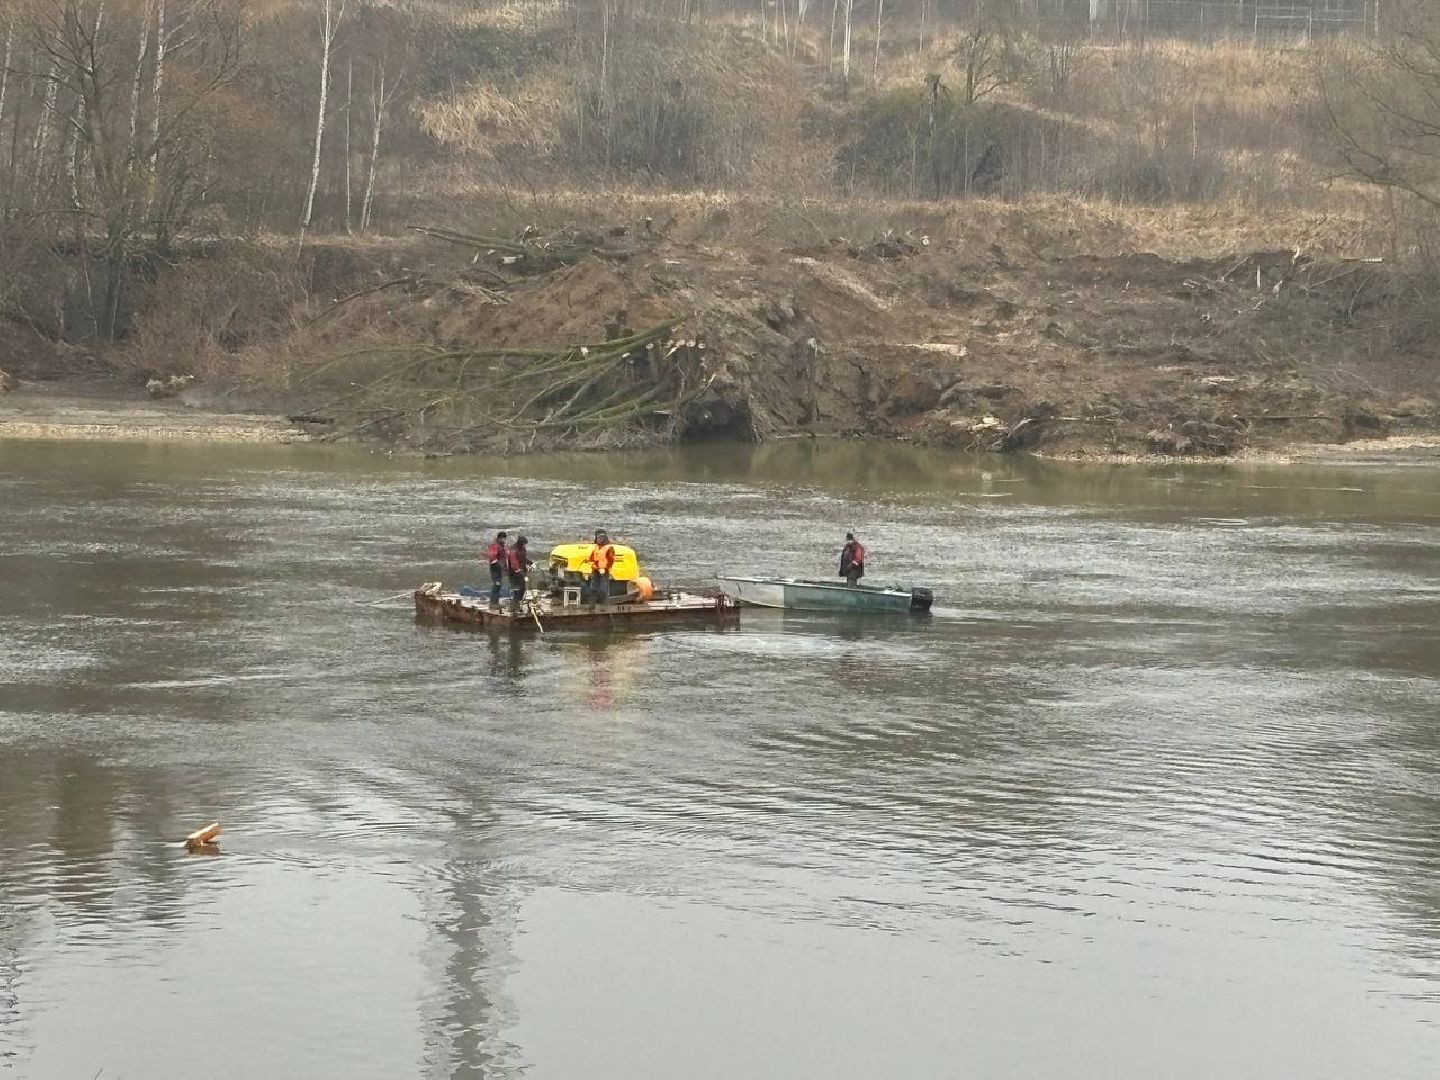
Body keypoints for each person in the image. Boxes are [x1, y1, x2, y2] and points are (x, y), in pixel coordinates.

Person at [587, 529, 616, 606]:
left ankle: (605, 605)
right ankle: (592, 605)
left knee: (603, 589)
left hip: (604, 571)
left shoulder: (610, 548)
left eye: (601, 538)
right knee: (592, 588)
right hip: (596, 571)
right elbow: (590, 559)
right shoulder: (596, 548)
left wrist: (605, 568)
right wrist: (596, 567)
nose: (600, 539)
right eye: (598, 538)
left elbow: (612, 560)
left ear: (605, 538)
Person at [507, 534, 531, 616]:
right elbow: (514, 565)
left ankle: (518, 603)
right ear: (521, 543)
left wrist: (530, 562)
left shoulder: (522, 549)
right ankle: (513, 608)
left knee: (522, 589)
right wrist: (522, 575)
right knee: (516, 590)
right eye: (524, 544)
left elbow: (523, 558)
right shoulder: (513, 550)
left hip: (522, 572)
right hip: (514, 573)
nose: (525, 546)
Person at [486, 531, 508, 610]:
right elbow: (492, 557)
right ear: (500, 538)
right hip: (495, 568)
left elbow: (503, 558)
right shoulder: (495, 546)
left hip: (499, 569)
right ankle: (492, 603)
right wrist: (498, 564)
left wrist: (505, 568)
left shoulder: (501, 546)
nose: (505, 540)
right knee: (496, 585)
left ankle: (496, 602)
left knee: (498, 585)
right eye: (504, 538)